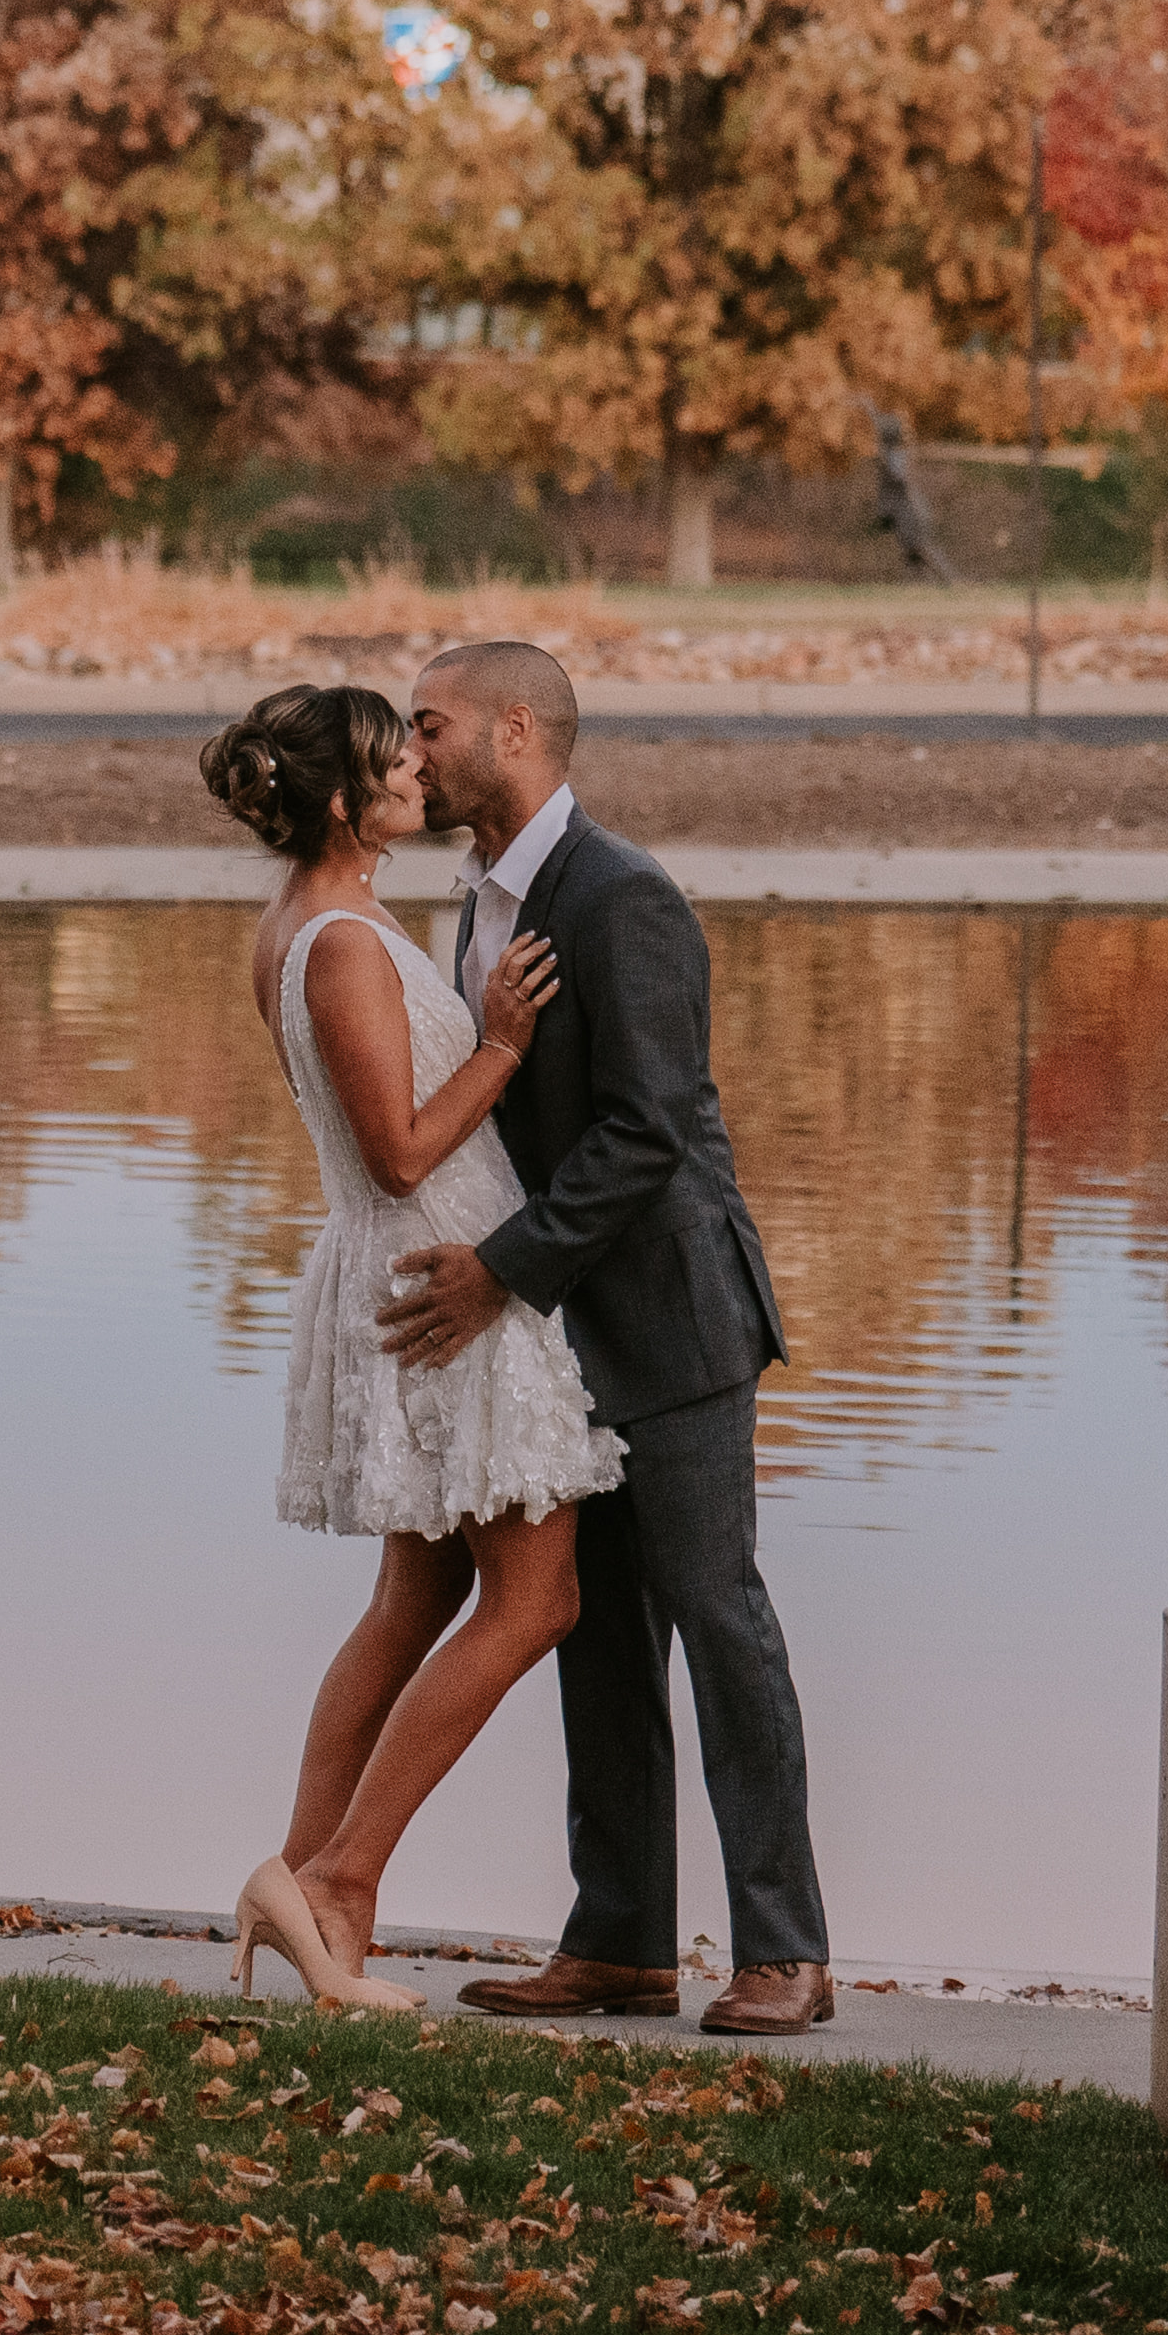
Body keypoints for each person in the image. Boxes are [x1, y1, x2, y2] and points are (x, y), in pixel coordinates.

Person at [374, 636, 835, 2036]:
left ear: (515, 731)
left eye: (430, 724)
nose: (411, 749)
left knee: (717, 1615)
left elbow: (651, 1132)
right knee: (593, 1633)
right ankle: (624, 1940)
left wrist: (498, 1275)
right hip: (570, 1332)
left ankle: (788, 1952)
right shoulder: (480, 903)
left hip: (675, 1322)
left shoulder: (621, 896)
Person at [209, 679, 619, 2014]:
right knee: (536, 1600)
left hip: (418, 1281)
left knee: (414, 1603)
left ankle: (322, 1897)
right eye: (394, 768)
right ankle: (334, 1881)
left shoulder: (317, 921)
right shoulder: (335, 941)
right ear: (343, 802)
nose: (415, 782)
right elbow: (393, 1156)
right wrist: (500, 1043)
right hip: (444, 1282)